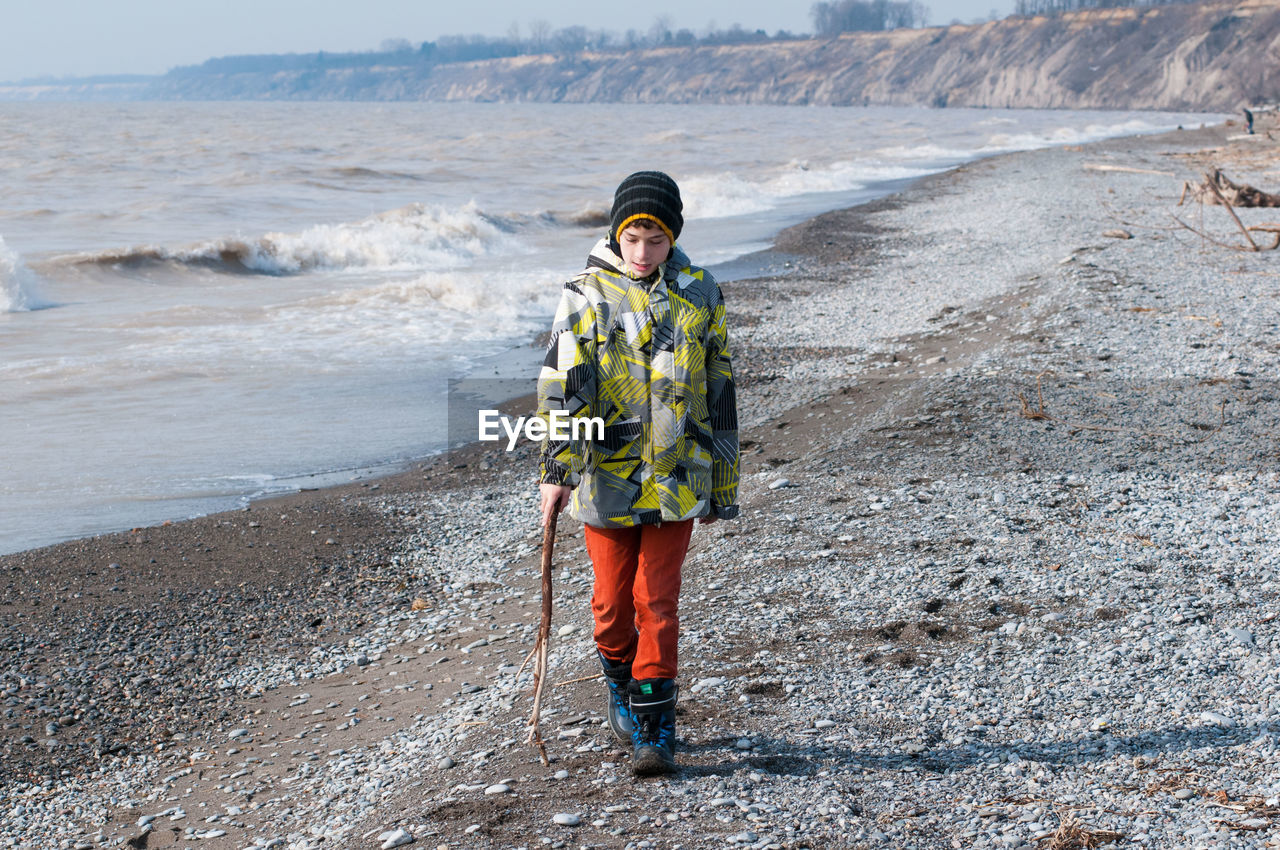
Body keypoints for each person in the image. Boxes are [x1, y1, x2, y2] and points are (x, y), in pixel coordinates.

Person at [536, 171, 739, 776]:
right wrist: (557, 468)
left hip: (679, 478)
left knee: (658, 599)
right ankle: (619, 683)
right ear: (616, 235)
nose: (642, 253)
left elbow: (720, 386)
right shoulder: (584, 293)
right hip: (606, 479)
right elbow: (562, 387)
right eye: (632, 239)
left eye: (654, 240)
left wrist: (723, 483)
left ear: (671, 236)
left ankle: (654, 725)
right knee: (610, 606)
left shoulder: (701, 292)